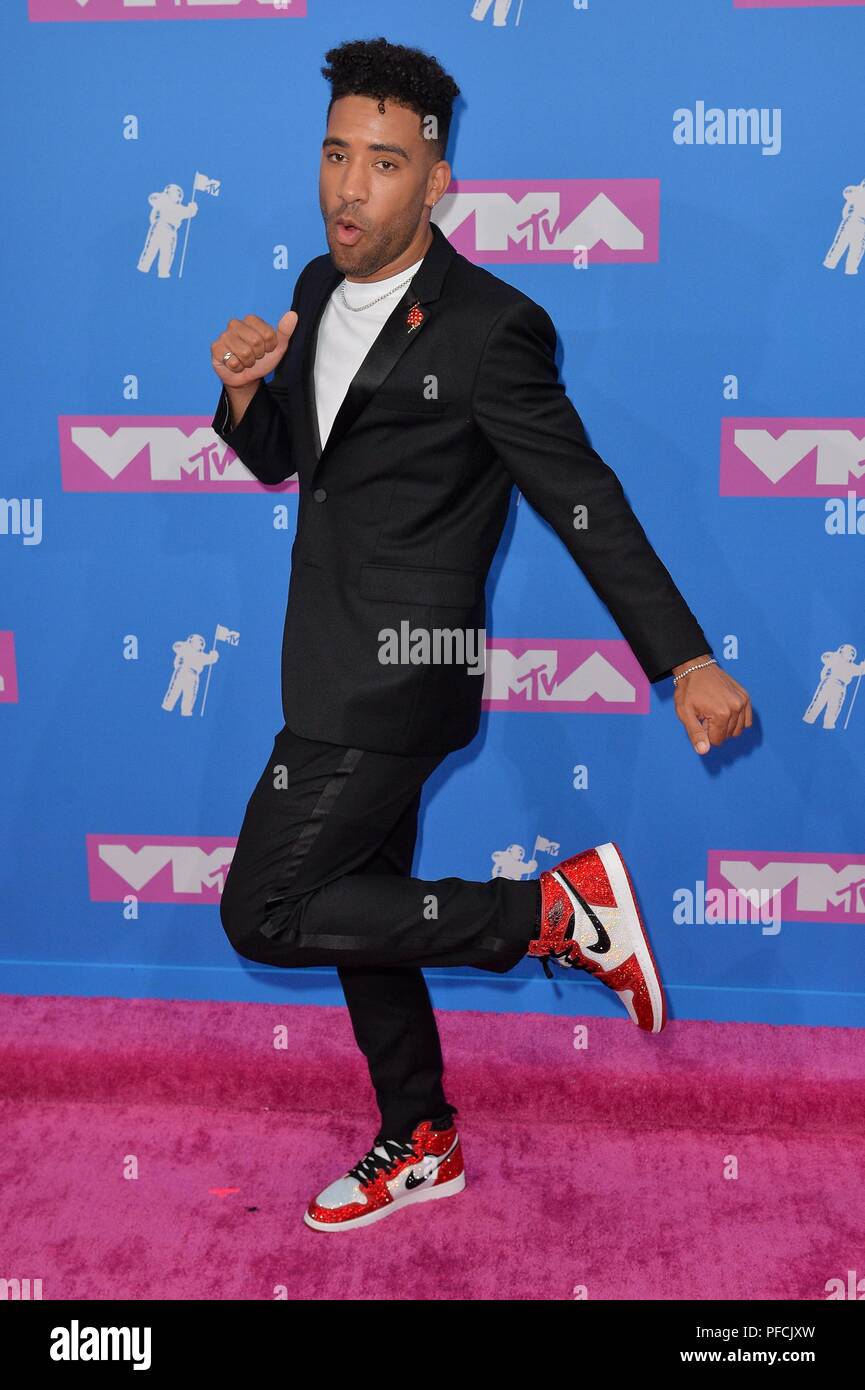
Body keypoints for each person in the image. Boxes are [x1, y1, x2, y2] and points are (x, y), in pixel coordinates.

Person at [208, 36, 752, 1233]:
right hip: (327, 656)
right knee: (364, 904)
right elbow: (299, 466)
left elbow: (583, 498)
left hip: (395, 677)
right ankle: (423, 1135)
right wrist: (247, 395)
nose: (351, 188)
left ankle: (554, 917)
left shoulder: (492, 329)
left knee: (266, 908)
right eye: (337, 154)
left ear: (437, 181)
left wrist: (684, 655)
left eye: (385, 164)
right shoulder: (311, 287)